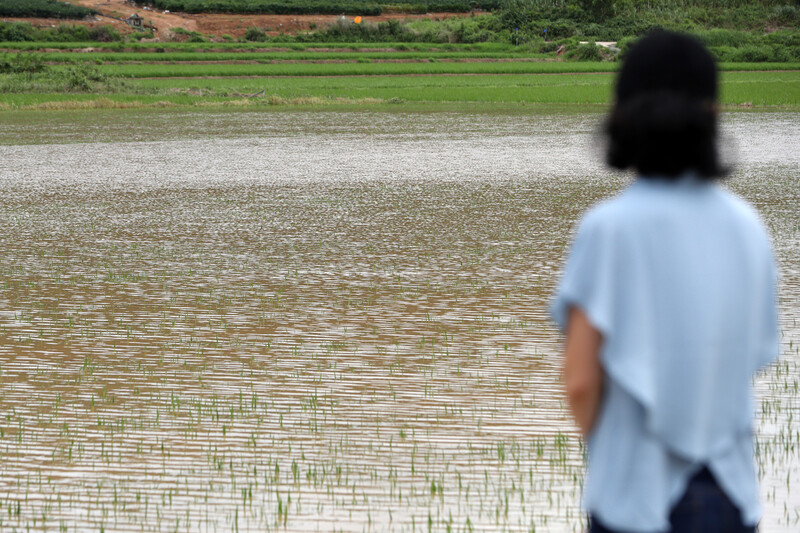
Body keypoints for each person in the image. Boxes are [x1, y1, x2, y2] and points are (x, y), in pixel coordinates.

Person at [550, 31, 780, 533]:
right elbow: (752, 358)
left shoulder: (608, 228)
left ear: (621, 117)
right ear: (713, 116)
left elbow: (581, 380)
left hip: (635, 498)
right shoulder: (748, 227)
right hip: (730, 495)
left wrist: (614, 459)